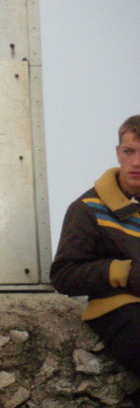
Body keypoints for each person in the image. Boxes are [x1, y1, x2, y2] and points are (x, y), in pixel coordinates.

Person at [51, 115, 140, 378]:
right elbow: (63, 276)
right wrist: (124, 271)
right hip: (119, 310)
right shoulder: (87, 208)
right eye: (129, 152)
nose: (136, 162)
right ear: (117, 153)